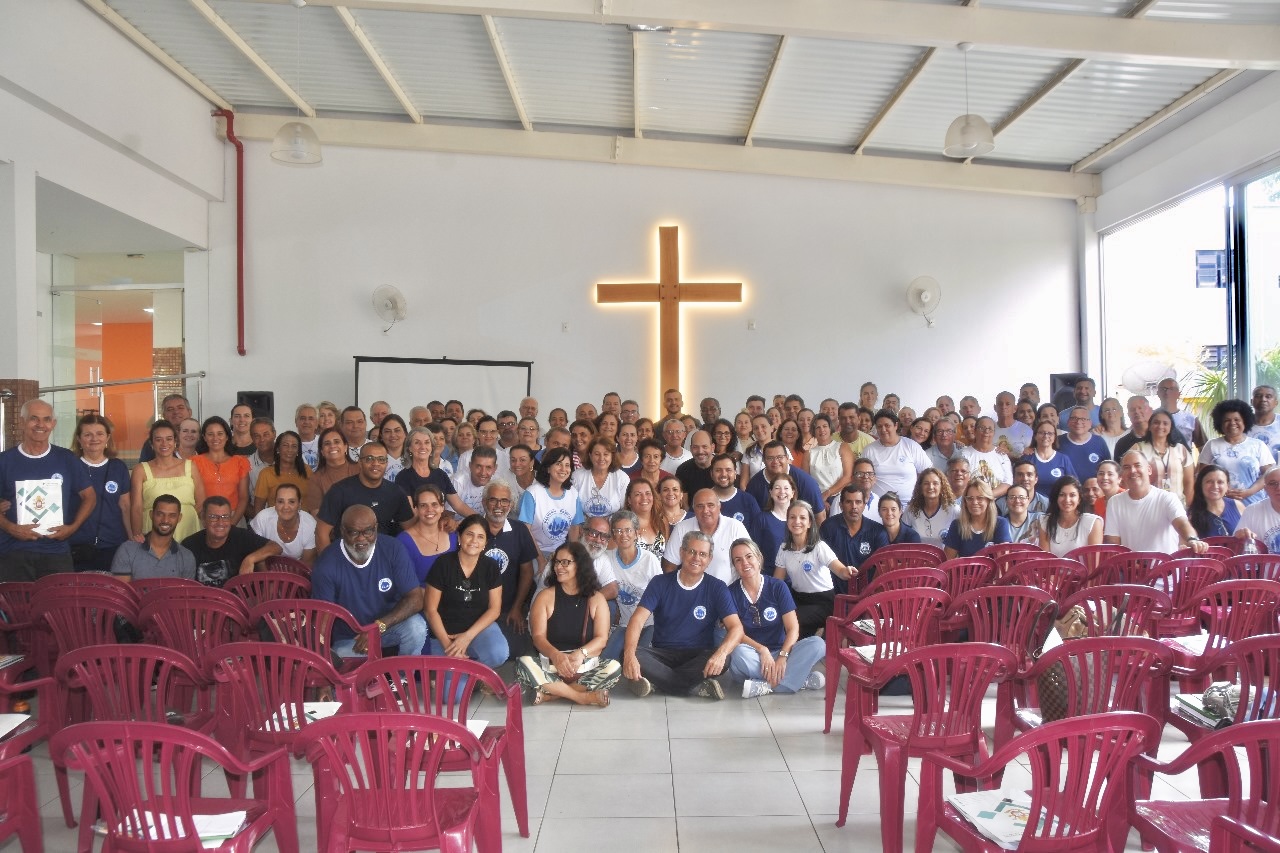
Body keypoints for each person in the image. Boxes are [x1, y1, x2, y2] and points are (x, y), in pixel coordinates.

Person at [622, 530, 745, 700]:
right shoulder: (660, 582)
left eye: (703, 554)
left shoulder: (717, 587)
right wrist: (629, 655)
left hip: (698, 655)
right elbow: (637, 620)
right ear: (682, 552)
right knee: (628, 653)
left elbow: (736, 628)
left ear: (709, 560)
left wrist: (722, 653)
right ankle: (694, 685)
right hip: (662, 654)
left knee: (725, 659)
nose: (696, 558)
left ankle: (658, 682)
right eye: (692, 552)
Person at [312, 504, 428, 657]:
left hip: (386, 627)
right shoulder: (326, 563)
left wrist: (378, 627)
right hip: (351, 638)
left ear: (376, 528)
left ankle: (402, 679)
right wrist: (320, 654)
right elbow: (323, 616)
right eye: (353, 532)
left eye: (368, 531)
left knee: (417, 627)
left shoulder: (393, 548)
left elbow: (416, 598)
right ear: (342, 531)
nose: (361, 538)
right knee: (340, 657)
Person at [0, 399, 96, 582]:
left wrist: (73, 527)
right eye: (33, 419)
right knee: (17, 609)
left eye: (46, 419)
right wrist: (11, 528)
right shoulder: (4, 461)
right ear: (22, 422)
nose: (40, 425)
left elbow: (90, 497)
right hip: (13, 552)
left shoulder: (66, 459)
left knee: (58, 609)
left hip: (56, 552)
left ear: (53, 424)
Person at [516, 541, 619, 707]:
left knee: (613, 667)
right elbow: (538, 637)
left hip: (583, 664)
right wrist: (556, 656)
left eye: (565, 562)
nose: (558, 567)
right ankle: (581, 697)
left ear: (580, 565)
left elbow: (602, 639)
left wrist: (581, 654)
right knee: (524, 663)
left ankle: (551, 695)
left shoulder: (596, 599)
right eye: (557, 562)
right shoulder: (545, 596)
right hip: (551, 663)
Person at [729, 539, 828, 698]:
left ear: (759, 558)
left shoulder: (777, 586)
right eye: (738, 560)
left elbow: (793, 628)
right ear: (734, 565)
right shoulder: (730, 593)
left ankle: (767, 686)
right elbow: (736, 634)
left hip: (782, 651)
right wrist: (762, 650)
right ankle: (798, 681)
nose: (745, 563)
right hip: (753, 656)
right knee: (738, 653)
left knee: (818, 644)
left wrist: (782, 656)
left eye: (749, 556)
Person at [423, 514, 509, 668]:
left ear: (485, 543)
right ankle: (468, 670)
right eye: (469, 534)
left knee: (498, 653)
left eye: (480, 537)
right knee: (453, 693)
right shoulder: (443, 564)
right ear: (459, 537)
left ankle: (474, 671)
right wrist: (450, 647)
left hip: (478, 630)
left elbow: (495, 609)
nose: (474, 541)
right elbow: (430, 610)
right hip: (445, 634)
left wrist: (466, 637)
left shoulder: (490, 567)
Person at [477, 478, 538, 659]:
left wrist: (517, 607)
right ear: (484, 502)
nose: (499, 505)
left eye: (504, 501)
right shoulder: (473, 529)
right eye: (493, 500)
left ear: (510, 505)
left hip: (508, 607)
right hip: (478, 608)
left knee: (515, 651)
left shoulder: (519, 530)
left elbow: (527, 571)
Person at [315, 441, 414, 552]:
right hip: (348, 557)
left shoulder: (396, 492)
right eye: (369, 459)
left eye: (381, 459)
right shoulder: (340, 491)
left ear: (386, 463)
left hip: (383, 558)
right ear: (360, 463)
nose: (375, 463)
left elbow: (411, 531)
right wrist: (331, 565)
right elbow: (321, 533)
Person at [1104, 450, 1208, 554]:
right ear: (1122, 475)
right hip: (1132, 568)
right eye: (1127, 467)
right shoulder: (1115, 502)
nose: (1133, 470)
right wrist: (1128, 564)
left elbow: (1182, 524)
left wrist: (1192, 539)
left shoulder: (1168, 498)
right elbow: (1113, 545)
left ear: (1149, 470)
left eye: (1137, 465)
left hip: (1166, 567)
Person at [773, 500, 853, 636]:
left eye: (802, 518)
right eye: (792, 517)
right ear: (787, 521)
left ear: (810, 523)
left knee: (792, 619)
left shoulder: (819, 547)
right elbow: (777, 581)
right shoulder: (784, 548)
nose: (797, 521)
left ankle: (820, 630)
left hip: (823, 602)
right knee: (784, 621)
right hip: (798, 598)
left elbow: (840, 570)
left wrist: (847, 571)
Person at [69, 413, 132, 572]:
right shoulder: (69, 466)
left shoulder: (118, 467)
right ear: (79, 439)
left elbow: (125, 506)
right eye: (88, 434)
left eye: (99, 434)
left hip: (113, 544)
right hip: (76, 545)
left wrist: (132, 537)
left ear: (107, 437)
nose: (94, 439)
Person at [600, 509, 663, 662]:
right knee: (606, 660)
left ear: (636, 533)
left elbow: (663, 595)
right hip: (625, 624)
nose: (623, 535)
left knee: (639, 659)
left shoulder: (649, 560)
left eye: (628, 530)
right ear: (613, 535)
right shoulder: (607, 558)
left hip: (650, 623)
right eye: (618, 530)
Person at [132, 419, 204, 546]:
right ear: (152, 443)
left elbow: (201, 502)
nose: (164, 443)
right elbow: (136, 507)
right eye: (158, 439)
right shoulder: (140, 469)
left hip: (188, 529)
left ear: (175, 442)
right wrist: (137, 536)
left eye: (169, 439)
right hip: (153, 531)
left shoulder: (191, 466)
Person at [181, 496, 281, 587]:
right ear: (203, 519)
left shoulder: (240, 536)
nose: (220, 522)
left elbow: (276, 547)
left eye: (225, 517)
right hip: (205, 603)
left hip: (240, 602)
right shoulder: (190, 545)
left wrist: (250, 559)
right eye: (213, 517)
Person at [663, 489, 751, 583]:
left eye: (710, 505)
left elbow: (749, 562)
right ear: (694, 509)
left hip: (729, 592)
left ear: (719, 506)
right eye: (700, 506)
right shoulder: (681, 528)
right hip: (691, 593)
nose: (705, 511)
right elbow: (669, 567)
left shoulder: (735, 527)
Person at [516, 446, 583, 567]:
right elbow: (525, 530)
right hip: (534, 552)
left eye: (567, 465)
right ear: (548, 468)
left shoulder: (573, 493)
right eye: (558, 464)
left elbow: (574, 527)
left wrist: (573, 555)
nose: (563, 469)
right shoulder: (533, 493)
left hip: (562, 552)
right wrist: (541, 560)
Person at [1199, 399, 1275, 506]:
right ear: (1220, 423)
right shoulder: (1212, 445)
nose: (1232, 423)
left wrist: (1250, 492)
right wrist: (1222, 490)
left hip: (1254, 503)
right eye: (1227, 420)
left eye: (1237, 419)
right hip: (1221, 504)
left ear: (1245, 421)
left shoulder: (1258, 445)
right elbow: (1202, 476)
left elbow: (1269, 475)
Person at [110, 494, 196, 581]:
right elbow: (121, 591)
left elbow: (185, 593)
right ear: (151, 515)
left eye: (172, 515)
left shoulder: (186, 557)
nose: (165, 520)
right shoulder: (128, 550)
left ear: (179, 518)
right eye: (160, 514)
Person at [395, 427, 471, 519]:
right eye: (417, 442)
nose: (423, 446)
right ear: (409, 448)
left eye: (427, 442)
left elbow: (459, 506)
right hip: (416, 529)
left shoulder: (441, 475)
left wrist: (481, 521)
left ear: (431, 447)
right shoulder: (403, 477)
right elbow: (412, 514)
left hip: (439, 528)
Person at [745, 441, 827, 523]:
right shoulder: (754, 485)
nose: (775, 462)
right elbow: (751, 519)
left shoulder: (806, 482)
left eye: (780, 457)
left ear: (787, 458)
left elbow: (820, 516)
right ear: (763, 460)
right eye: (770, 458)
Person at [859, 409, 931, 501]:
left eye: (887, 425)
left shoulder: (911, 446)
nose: (883, 430)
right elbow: (861, 479)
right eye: (879, 426)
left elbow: (928, 473)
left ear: (896, 425)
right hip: (878, 506)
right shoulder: (869, 450)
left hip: (909, 505)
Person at [192, 416, 251, 528]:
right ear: (204, 437)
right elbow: (193, 496)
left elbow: (244, 497)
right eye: (210, 434)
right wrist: (206, 521)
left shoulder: (240, 462)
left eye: (220, 434)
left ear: (227, 436)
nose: (215, 438)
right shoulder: (194, 462)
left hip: (234, 518)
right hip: (203, 518)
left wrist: (231, 524)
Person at [819, 485, 889, 577]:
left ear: (864, 505)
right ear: (841, 505)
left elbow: (883, 567)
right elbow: (821, 562)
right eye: (849, 502)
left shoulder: (878, 531)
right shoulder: (828, 527)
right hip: (835, 590)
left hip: (868, 589)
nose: (854, 507)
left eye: (858, 502)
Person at [395, 483, 456, 584]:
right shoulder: (403, 542)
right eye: (423, 505)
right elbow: (406, 586)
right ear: (416, 509)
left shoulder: (452, 534)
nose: (429, 510)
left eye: (434, 504)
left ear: (442, 507)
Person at [1136, 409, 1195, 507]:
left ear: (1171, 427)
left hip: (1177, 507)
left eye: (1165, 423)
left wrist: (1186, 508)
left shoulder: (1181, 449)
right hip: (1148, 507)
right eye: (1156, 422)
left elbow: (1189, 482)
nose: (1160, 426)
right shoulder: (1138, 448)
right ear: (1149, 426)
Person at [249, 482, 316, 565]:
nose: (285, 507)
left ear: (299, 504)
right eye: (280, 501)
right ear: (275, 504)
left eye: (291, 502)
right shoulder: (262, 518)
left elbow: (307, 563)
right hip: (267, 570)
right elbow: (258, 559)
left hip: (297, 571)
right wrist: (270, 577)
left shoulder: (310, 525)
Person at [942, 480, 1012, 559]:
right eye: (970, 498)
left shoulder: (1000, 523)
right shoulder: (957, 525)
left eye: (980, 498)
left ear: (988, 500)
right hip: (964, 571)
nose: (974, 502)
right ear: (965, 502)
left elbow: (1004, 562)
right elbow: (947, 561)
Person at [1040, 475, 1104, 556]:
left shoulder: (1093, 523)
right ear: (1056, 497)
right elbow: (1046, 562)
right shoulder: (1044, 521)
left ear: (1079, 499)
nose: (1067, 500)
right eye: (1062, 495)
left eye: (1072, 495)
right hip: (1053, 569)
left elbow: (1093, 565)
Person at [251, 430, 310, 516]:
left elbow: (314, 503)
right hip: (275, 525)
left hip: (304, 524)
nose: (290, 450)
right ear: (278, 448)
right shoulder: (266, 474)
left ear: (298, 450)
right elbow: (258, 509)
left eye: (294, 446)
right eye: (285, 445)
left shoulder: (307, 471)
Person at [303, 427, 359, 517]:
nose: (332, 446)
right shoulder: (316, 478)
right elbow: (316, 514)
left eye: (337, 442)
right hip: (332, 529)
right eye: (327, 443)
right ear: (322, 452)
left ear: (345, 447)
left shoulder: (360, 469)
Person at [572, 435, 629, 519]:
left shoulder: (622, 478)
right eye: (597, 454)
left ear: (612, 456)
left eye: (606, 454)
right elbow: (572, 508)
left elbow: (625, 510)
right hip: (583, 526)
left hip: (613, 526)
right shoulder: (577, 476)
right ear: (590, 455)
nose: (601, 458)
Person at [902, 468, 957, 548]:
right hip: (917, 558)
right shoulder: (911, 509)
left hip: (945, 559)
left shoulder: (953, 510)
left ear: (942, 487)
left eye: (935, 483)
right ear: (920, 487)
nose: (931, 487)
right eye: (926, 483)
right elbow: (903, 537)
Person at [1022, 420, 1077, 499]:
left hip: (1057, 506)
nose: (1046, 436)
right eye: (1042, 432)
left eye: (1050, 433)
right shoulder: (1026, 458)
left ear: (1055, 437)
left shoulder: (1063, 459)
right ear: (1035, 436)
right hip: (1032, 506)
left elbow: (1073, 485)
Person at [1187, 465, 1246, 538]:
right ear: (1200, 485)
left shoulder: (1238, 506)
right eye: (1209, 482)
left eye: (1220, 482)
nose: (1215, 486)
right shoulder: (1191, 515)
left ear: (1227, 486)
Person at [961, 417, 1013, 499]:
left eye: (990, 429)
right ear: (975, 431)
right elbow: (960, 481)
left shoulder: (1002, 455)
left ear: (994, 432)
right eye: (982, 428)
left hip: (997, 503)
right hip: (972, 502)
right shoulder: (964, 454)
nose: (986, 432)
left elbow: (1007, 482)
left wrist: (987, 496)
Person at [1058, 406, 1112, 484]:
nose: (1078, 422)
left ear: (1090, 423)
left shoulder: (1099, 442)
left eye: (1083, 419)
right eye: (1074, 418)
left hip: (1093, 492)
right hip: (1067, 492)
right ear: (1068, 422)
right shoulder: (1058, 441)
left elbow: (1108, 468)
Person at [808, 414, 854, 502]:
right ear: (814, 431)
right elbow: (807, 482)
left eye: (825, 426)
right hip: (818, 499)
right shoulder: (809, 453)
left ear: (830, 428)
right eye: (818, 427)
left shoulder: (842, 447)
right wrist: (820, 499)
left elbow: (848, 476)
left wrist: (828, 493)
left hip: (841, 498)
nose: (822, 430)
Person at [710, 453, 761, 530]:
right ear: (711, 474)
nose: (723, 474)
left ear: (735, 473)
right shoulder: (701, 500)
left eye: (728, 470)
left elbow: (758, 531)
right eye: (718, 470)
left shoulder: (748, 500)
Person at [138, 394, 194, 464]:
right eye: (170, 409)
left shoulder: (202, 440)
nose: (176, 412)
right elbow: (144, 470)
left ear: (190, 412)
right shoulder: (154, 442)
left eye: (180, 408)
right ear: (164, 415)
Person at [1236, 468, 1280, 555]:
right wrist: (1241, 537)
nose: (1278, 488)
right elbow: (1237, 549)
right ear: (1265, 488)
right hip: (1265, 568)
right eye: (1273, 483)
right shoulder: (1252, 511)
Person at [624, 478, 667, 557]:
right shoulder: (622, 526)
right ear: (629, 500)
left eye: (648, 493)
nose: (644, 498)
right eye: (638, 494)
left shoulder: (662, 521)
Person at [992, 391, 1033, 456]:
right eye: (1000, 404)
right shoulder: (990, 430)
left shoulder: (1025, 430)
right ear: (995, 408)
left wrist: (1008, 454)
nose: (1003, 407)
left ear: (1015, 408)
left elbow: (1028, 455)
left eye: (1008, 404)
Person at [376, 413, 409, 481]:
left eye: (397, 430)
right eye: (387, 431)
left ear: (405, 433)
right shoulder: (375, 460)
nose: (393, 435)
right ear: (381, 436)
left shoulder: (413, 458)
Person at [295, 403, 321, 470]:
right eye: (302, 418)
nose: (306, 422)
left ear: (317, 423)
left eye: (311, 418)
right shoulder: (290, 444)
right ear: (296, 422)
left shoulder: (324, 441)